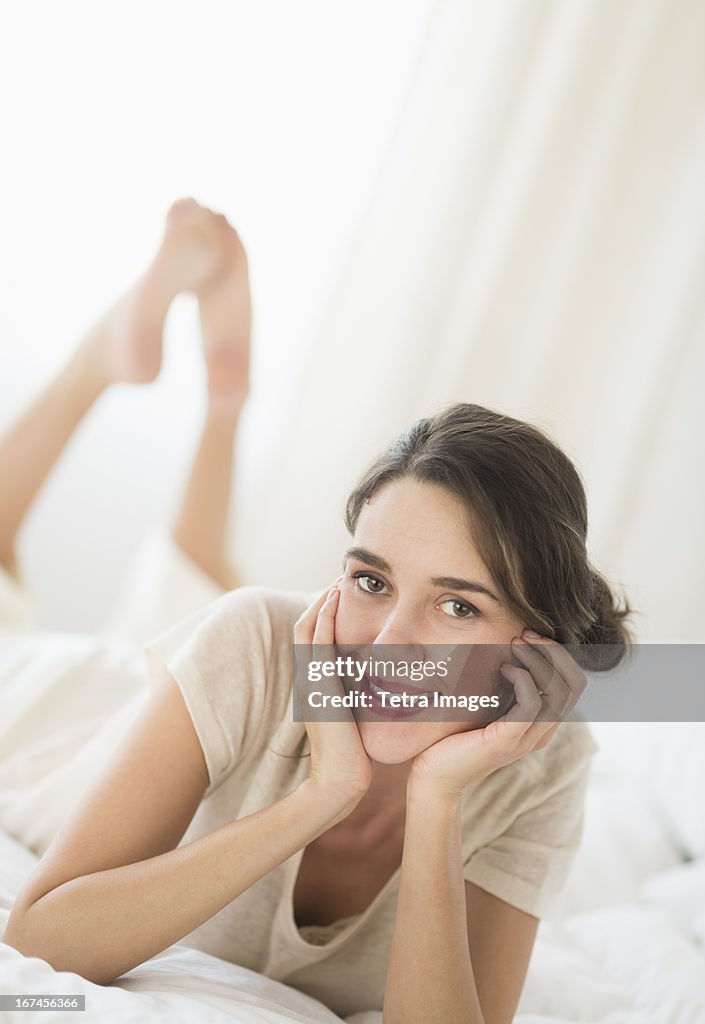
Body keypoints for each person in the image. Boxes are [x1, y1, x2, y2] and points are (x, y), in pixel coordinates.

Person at [1, 201, 632, 1024]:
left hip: (212, 689)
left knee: (195, 590)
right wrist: (319, 795)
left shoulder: (541, 763)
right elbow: (42, 942)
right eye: (370, 581)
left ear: (531, 643)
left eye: (455, 605)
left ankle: (225, 392)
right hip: (54, 723)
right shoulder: (263, 640)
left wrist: (434, 802)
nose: (389, 642)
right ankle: (102, 359)